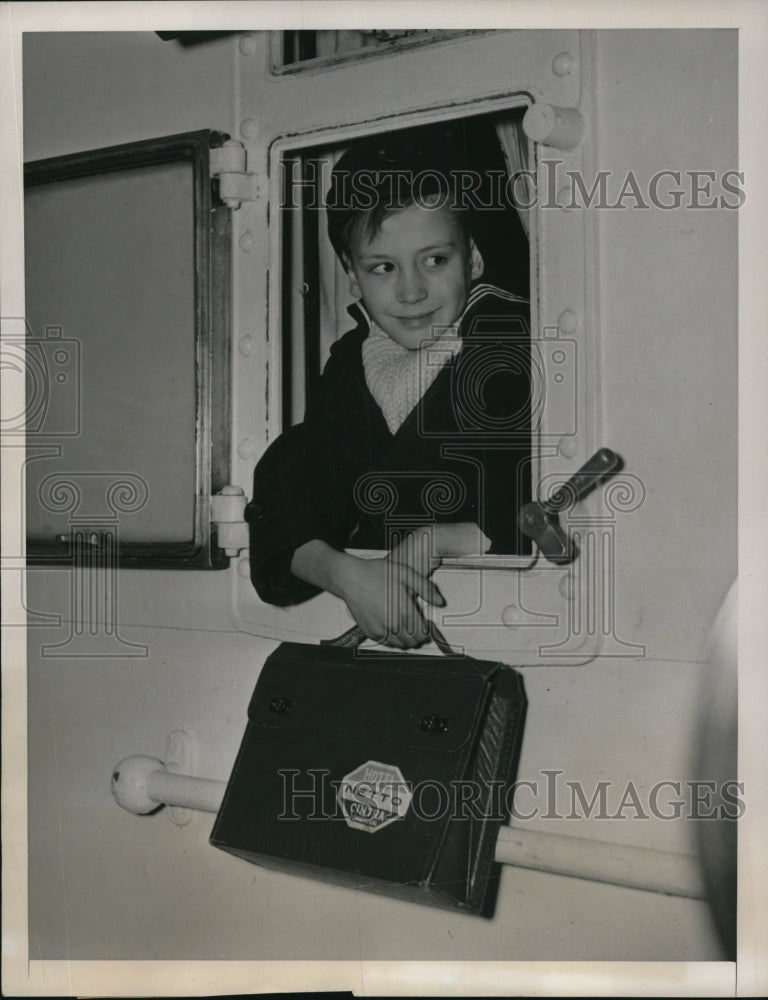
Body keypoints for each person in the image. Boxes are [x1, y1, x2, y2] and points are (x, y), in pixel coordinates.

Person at [247, 136, 531, 648]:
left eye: (435, 260)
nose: (410, 291)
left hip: (506, 623)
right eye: (383, 267)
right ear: (352, 276)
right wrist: (344, 574)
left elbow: (538, 490)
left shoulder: (513, 344)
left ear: (474, 258)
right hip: (371, 632)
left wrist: (435, 541)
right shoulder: (348, 367)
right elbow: (295, 482)